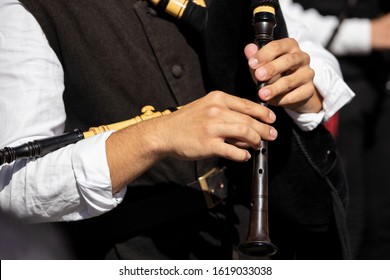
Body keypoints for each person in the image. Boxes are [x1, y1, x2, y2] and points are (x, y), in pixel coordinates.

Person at [0, 0, 354, 259]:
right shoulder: (24, 9)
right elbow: (14, 184)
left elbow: (307, 46)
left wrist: (306, 88)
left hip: (246, 239)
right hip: (129, 253)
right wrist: (156, 136)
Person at [280, 0, 390, 259]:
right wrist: (367, 34)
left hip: (381, 86)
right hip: (333, 91)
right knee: (347, 218)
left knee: (383, 218)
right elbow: (280, 14)